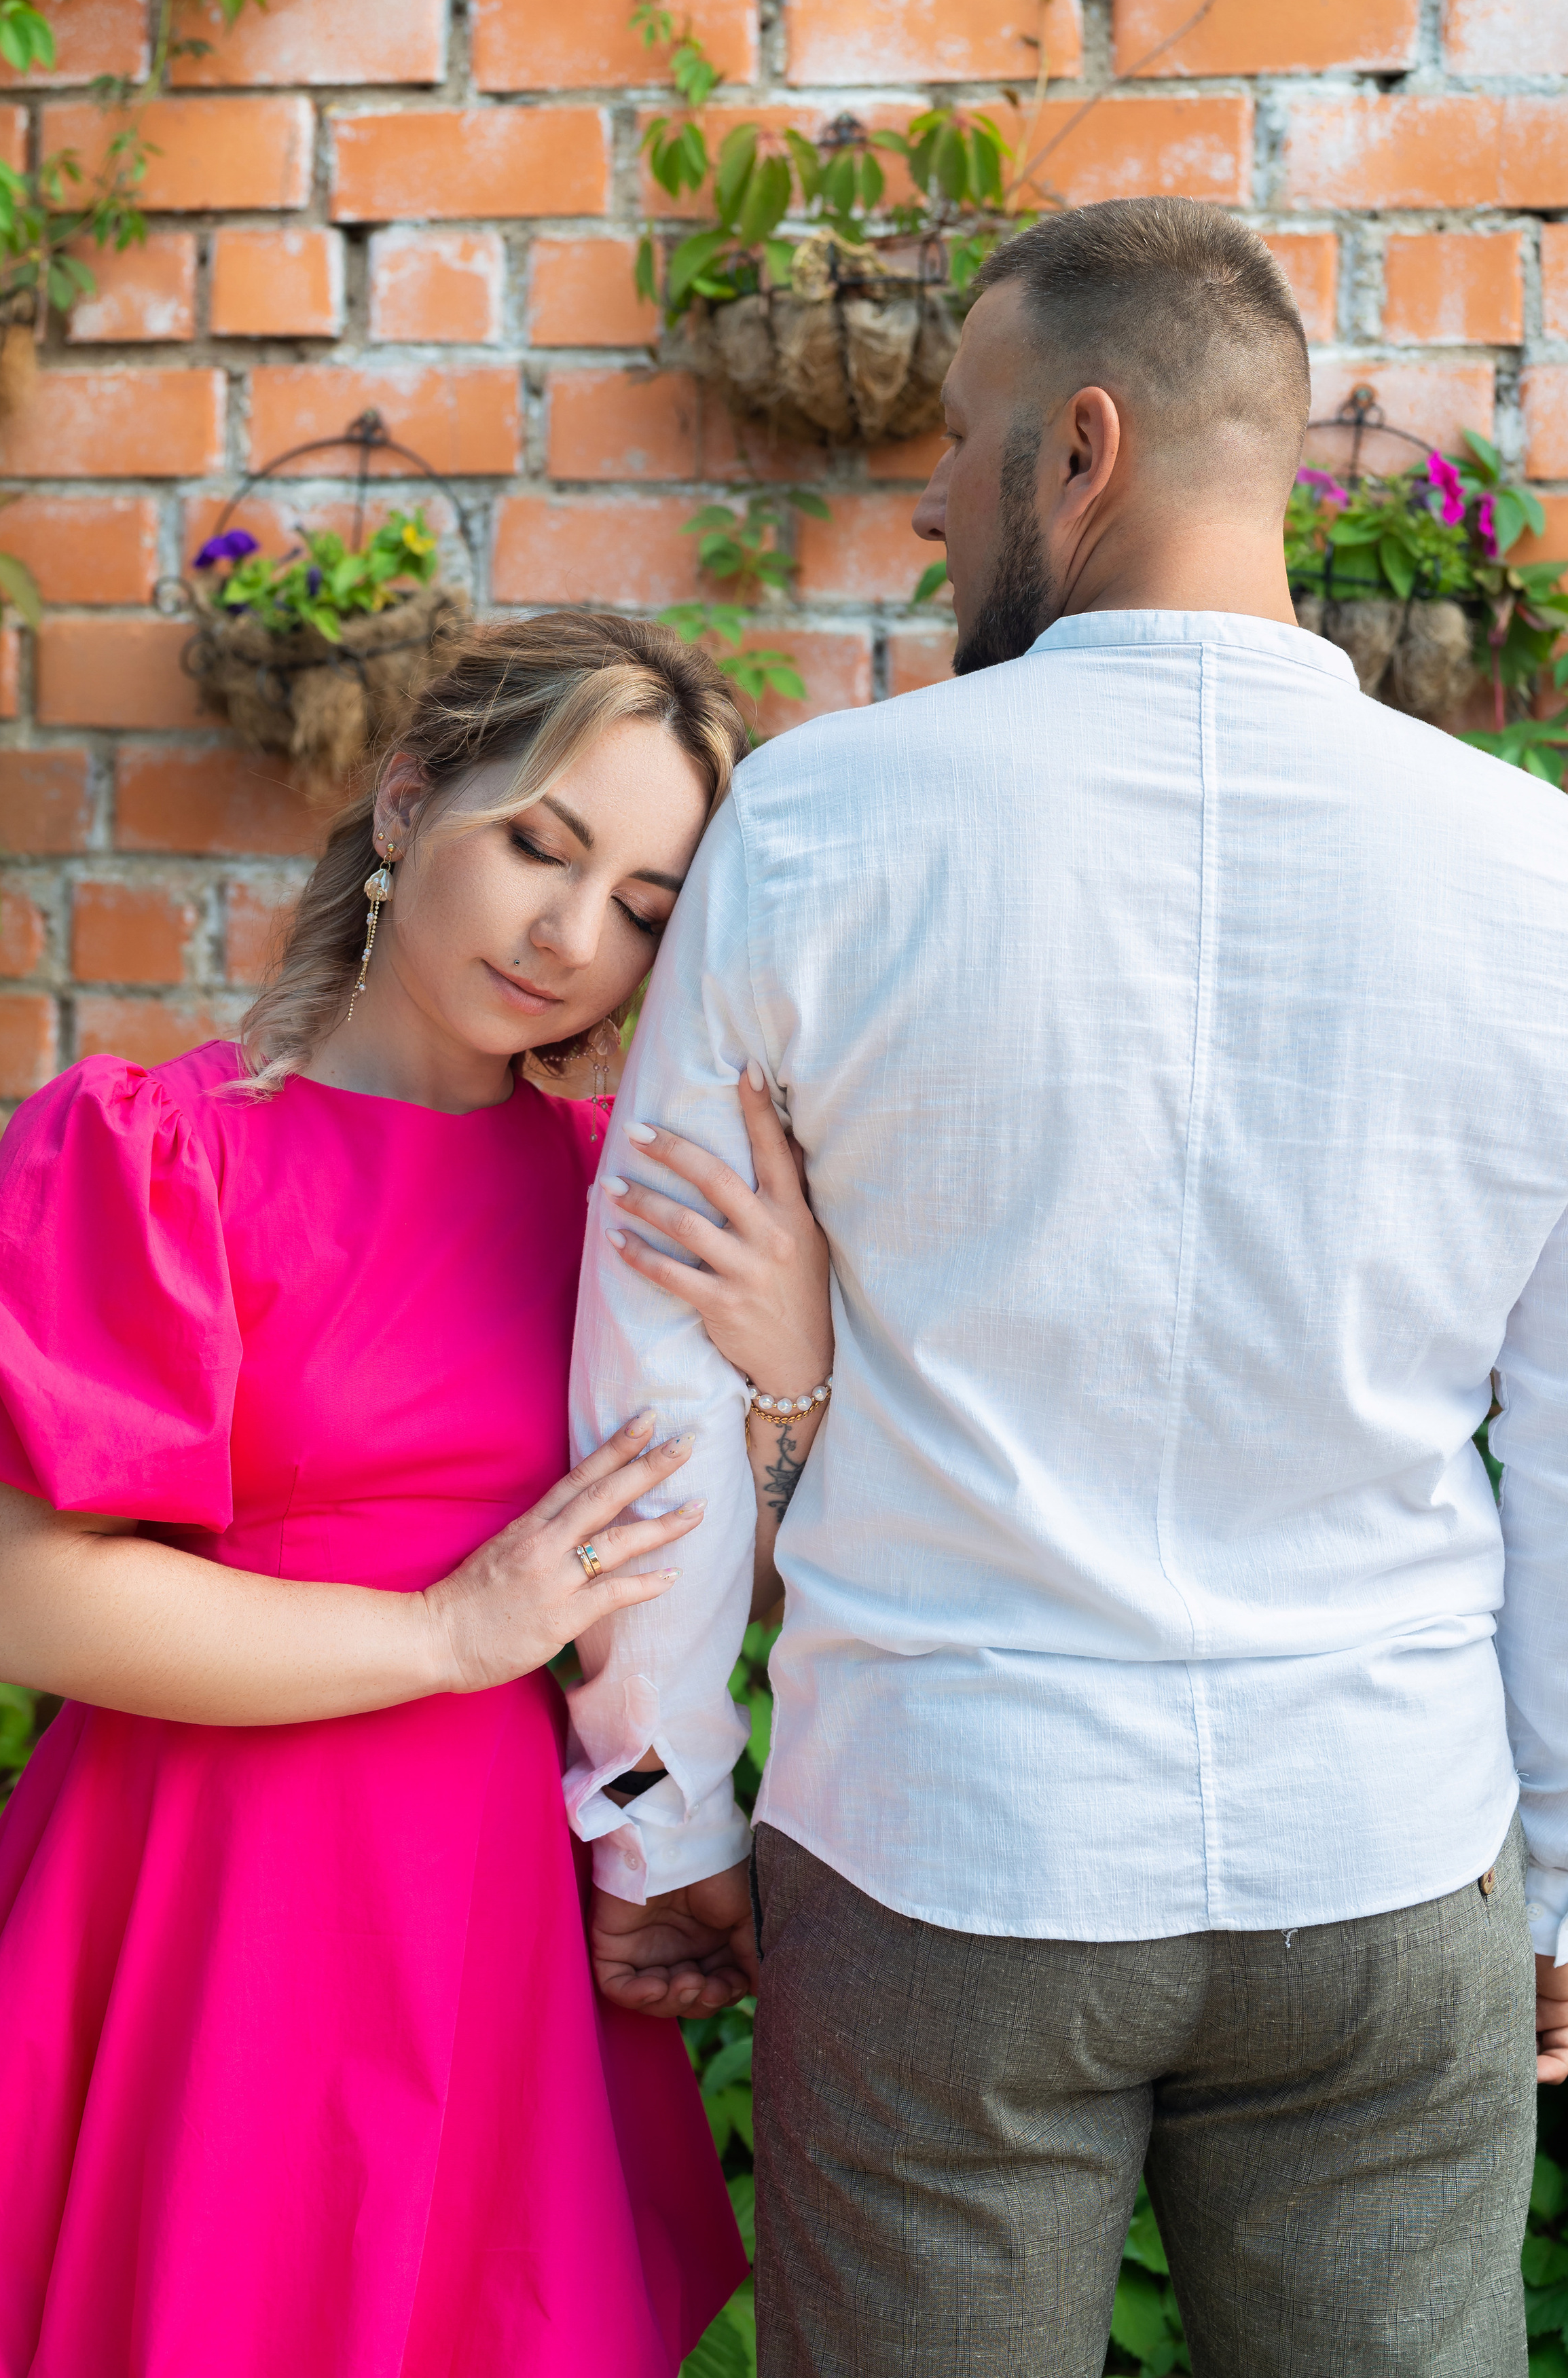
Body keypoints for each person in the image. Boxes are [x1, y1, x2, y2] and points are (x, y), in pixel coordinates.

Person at [568, 198, 1568, 2377]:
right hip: (1382, 1843)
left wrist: (660, 1800)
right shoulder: (1538, 874)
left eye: (959, 435)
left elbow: (659, 1350)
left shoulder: (816, 826)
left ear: (1083, 446)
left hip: (946, 1840)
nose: (933, 501)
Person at [0, 613, 824, 2378]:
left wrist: (790, 1359)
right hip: (208, 1895)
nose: (570, 937)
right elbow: (19, 1599)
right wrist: (448, 1632)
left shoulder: (622, 1201)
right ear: (407, 798)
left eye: (642, 906)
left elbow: (722, 1580)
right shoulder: (161, 1153)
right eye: (541, 844)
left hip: (492, 1923)